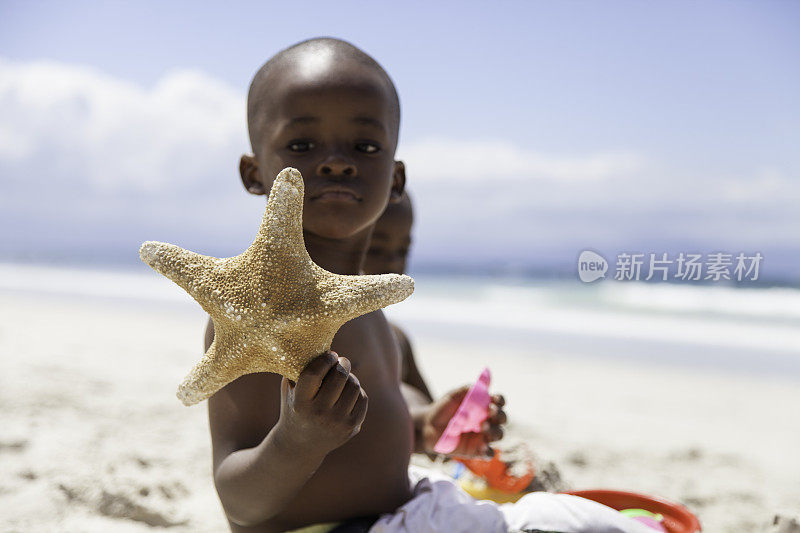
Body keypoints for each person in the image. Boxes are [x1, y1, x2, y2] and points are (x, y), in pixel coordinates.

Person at [204, 37, 651, 533]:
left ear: (395, 180)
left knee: (578, 518)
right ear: (254, 173)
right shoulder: (255, 308)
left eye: (364, 146)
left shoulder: (367, 304)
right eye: (302, 145)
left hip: (406, 510)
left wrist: (427, 427)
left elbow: (370, 439)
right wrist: (296, 440)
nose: (336, 161)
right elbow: (238, 500)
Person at [363, 191, 434, 405]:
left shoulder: (398, 339)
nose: (393, 264)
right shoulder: (319, 339)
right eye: (375, 249)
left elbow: (432, 409)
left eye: (403, 251)